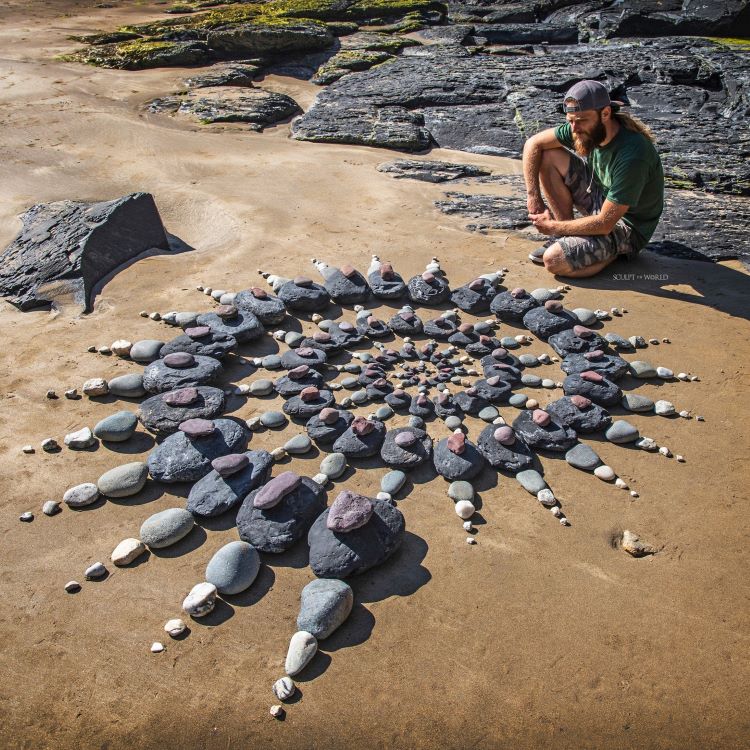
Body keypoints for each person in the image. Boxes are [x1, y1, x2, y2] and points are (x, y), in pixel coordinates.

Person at [522, 80, 664, 278]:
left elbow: (606, 223)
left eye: (580, 120)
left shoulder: (633, 155)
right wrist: (533, 196)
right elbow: (533, 144)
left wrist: (551, 226)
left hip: (627, 226)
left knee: (553, 260)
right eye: (570, 120)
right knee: (548, 155)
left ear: (605, 114)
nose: (574, 128)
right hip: (601, 198)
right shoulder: (583, 129)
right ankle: (567, 234)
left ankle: (611, 252)